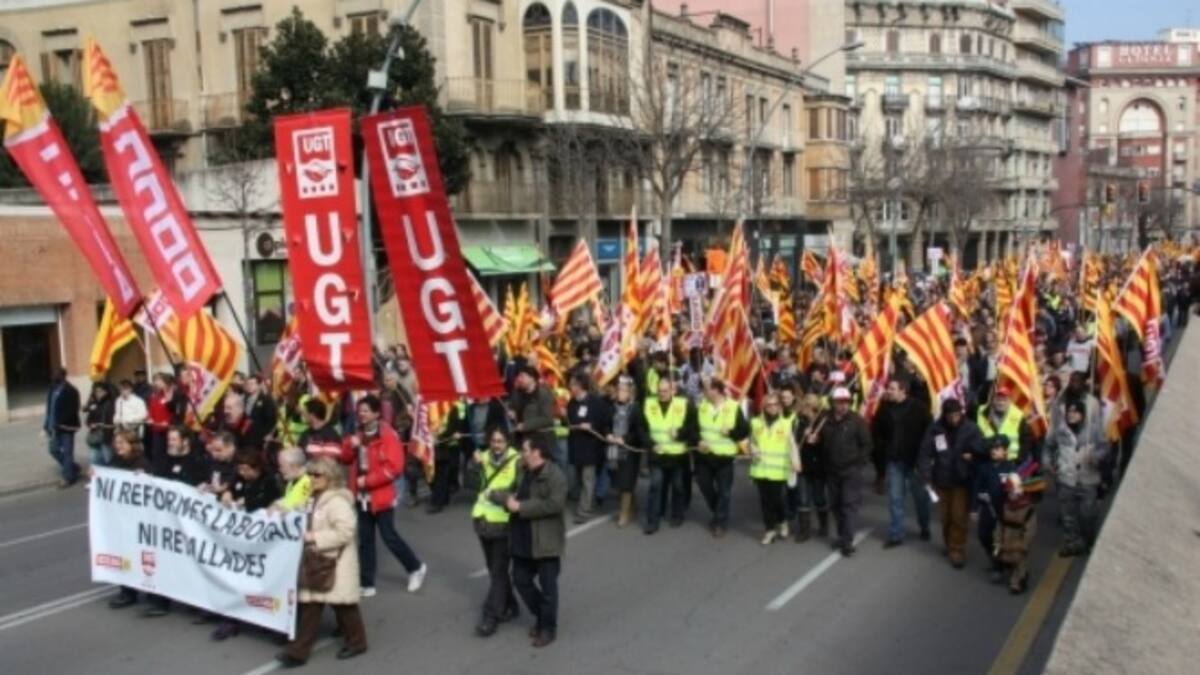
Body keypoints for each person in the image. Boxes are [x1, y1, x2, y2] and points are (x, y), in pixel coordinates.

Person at [277, 457, 368, 668]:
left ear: (330, 477)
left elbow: (346, 531)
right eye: (309, 474)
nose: (312, 478)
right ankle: (298, 652)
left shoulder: (336, 502)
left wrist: (314, 538)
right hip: (317, 560)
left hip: (335, 561)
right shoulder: (311, 496)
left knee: (343, 606)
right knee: (312, 605)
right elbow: (291, 505)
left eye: (317, 475)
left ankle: (357, 642)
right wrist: (276, 509)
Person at [343, 395, 427, 597]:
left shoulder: (388, 435)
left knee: (389, 537)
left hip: (381, 497)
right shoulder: (357, 433)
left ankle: (415, 567)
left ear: (376, 413)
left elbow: (394, 468)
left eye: (366, 410)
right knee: (365, 540)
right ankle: (367, 583)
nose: (361, 414)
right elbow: (346, 459)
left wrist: (368, 481)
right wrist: (349, 445)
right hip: (361, 497)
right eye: (360, 410)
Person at [504, 436, 568, 649]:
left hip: (546, 542)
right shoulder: (523, 471)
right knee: (520, 580)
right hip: (523, 538)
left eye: (525, 450)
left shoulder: (555, 475)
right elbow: (512, 491)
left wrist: (522, 507)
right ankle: (542, 616)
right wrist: (506, 500)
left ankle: (548, 628)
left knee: (548, 588)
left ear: (536, 452)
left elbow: (555, 504)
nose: (522, 454)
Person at [105, 430, 169, 616]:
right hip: (123, 520)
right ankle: (128, 592)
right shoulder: (115, 462)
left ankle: (157, 598)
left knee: (147, 558)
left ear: (132, 445)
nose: (118, 446)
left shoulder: (142, 464)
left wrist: (144, 478)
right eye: (116, 443)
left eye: (122, 443)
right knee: (125, 555)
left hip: (143, 522)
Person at [917, 399, 983, 568]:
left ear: (961, 413)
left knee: (958, 517)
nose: (954, 419)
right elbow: (925, 453)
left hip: (962, 479)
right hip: (942, 479)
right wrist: (926, 477)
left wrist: (972, 454)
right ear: (944, 415)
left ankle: (957, 550)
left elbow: (981, 449)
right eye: (950, 416)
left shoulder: (971, 429)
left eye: (956, 415)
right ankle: (949, 545)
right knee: (946, 517)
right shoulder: (935, 429)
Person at [973, 434, 1040, 594]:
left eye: (997, 449)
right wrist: (975, 507)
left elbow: (1019, 488)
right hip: (988, 509)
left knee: (1010, 542)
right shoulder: (984, 468)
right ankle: (996, 560)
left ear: (1005, 451)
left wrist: (1017, 496)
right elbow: (976, 488)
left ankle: (1008, 570)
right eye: (992, 449)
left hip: (1007, 512)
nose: (994, 451)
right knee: (985, 536)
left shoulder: (1011, 468)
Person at [472, 428, 521, 637]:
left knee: (499, 571)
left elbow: (520, 491)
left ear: (508, 442)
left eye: (500, 441)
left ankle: (491, 615)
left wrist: (499, 496)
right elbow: (472, 485)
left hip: (503, 523)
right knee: (493, 569)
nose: (496, 445)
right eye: (493, 441)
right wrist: (475, 466)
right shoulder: (482, 457)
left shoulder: (517, 461)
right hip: (483, 521)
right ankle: (511, 605)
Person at [873, 377, 933, 547]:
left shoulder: (919, 408)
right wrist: (883, 448)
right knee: (895, 499)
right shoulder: (884, 408)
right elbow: (876, 431)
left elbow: (930, 433)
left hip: (915, 463)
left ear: (903, 391)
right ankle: (896, 534)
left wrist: (927, 457)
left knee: (921, 498)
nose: (888, 391)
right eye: (888, 388)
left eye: (892, 388)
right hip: (894, 461)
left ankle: (924, 526)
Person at [1044, 399, 1107, 557]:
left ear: (1082, 414)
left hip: (1087, 480)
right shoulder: (1059, 431)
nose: (1071, 415)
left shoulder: (1093, 431)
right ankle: (1072, 543)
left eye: (1075, 412)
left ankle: (1089, 542)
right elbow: (1048, 447)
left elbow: (1105, 448)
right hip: (1066, 480)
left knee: (1087, 515)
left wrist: (1096, 458)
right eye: (1069, 412)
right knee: (1068, 517)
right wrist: (1047, 463)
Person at [815, 387, 872, 557]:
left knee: (848, 505)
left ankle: (847, 541)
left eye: (846, 402)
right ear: (833, 403)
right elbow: (819, 441)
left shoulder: (857, 421)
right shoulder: (824, 420)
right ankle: (842, 536)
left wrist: (859, 464)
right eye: (839, 402)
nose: (843, 405)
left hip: (851, 471)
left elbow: (867, 445)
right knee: (835, 505)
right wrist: (814, 439)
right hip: (832, 470)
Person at [642, 378, 698, 534]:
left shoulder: (683, 404)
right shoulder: (648, 404)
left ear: (673, 390)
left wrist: (679, 433)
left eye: (665, 391)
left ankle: (677, 515)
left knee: (678, 487)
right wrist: (650, 444)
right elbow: (642, 429)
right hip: (657, 454)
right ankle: (652, 521)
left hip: (677, 455)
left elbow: (692, 427)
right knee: (655, 486)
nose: (662, 394)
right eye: (659, 391)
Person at [695, 379, 749, 538]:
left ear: (716, 390)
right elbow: (694, 428)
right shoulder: (702, 406)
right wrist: (698, 441)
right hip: (705, 456)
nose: (703, 393)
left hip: (724, 458)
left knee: (724, 492)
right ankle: (718, 511)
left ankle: (720, 522)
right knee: (705, 487)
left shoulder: (733, 407)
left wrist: (731, 433)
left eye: (706, 389)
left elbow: (744, 431)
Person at [749, 392, 800, 545]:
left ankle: (783, 521)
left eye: (775, 404)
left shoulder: (786, 423)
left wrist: (795, 461)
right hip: (760, 468)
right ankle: (769, 530)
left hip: (778, 469)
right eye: (769, 405)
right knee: (765, 501)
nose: (772, 407)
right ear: (764, 406)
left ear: (779, 406)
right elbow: (751, 441)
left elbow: (792, 445)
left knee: (776, 500)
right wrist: (753, 449)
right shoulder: (755, 422)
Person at [565, 373, 612, 523]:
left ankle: (584, 511)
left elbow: (605, 422)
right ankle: (588, 501)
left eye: (572, 384)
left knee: (588, 479)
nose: (570, 387)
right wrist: (563, 417)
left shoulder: (596, 403)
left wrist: (592, 425)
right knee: (579, 478)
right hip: (576, 447)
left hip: (591, 447)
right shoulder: (571, 403)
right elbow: (569, 423)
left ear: (580, 386)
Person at [605, 376, 649, 528]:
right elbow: (606, 424)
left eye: (623, 390)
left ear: (630, 393)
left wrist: (625, 439)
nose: (620, 393)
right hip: (613, 448)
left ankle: (624, 514)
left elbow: (639, 431)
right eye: (619, 390)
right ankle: (632, 506)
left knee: (627, 481)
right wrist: (608, 434)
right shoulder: (611, 407)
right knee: (617, 480)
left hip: (629, 450)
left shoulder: (636, 408)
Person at [791, 394, 829, 542]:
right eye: (806, 406)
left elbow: (828, 442)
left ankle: (823, 525)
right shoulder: (798, 421)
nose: (807, 409)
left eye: (811, 407)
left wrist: (818, 439)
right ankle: (804, 530)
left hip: (818, 466)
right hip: (803, 465)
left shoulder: (823, 421)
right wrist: (802, 434)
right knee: (803, 499)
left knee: (819, 498)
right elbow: (793, 440)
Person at [430, 398, 472, 514]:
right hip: (433, 445)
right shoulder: (431, 407)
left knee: (441, 474)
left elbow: (454, 427)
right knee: (438, 474)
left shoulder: (453, 408)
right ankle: (443, 497)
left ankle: (438, 501)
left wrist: (439, 438)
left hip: (447, 445)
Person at [44, 369, 82, 487]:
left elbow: (73, 410)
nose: (54, 377)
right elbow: (49, 409)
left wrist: (61, 422)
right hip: (54, 427)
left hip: (66, 427)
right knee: (53, 449)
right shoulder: (52, 389)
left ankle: (68, 478)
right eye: (53, 375)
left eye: (57, 375)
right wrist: (46, 425)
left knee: (67, 452)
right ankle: (72, 467)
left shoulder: (71, 391)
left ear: (63, 376)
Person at [509, 365, 558, 453]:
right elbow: (512, 406)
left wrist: (525, 426)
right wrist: (512, 412)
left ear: (532, 378)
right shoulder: (517, 393)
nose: (519, 379)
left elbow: (547, 418)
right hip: (521, 440)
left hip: (541, 441)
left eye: (522, 376)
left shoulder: (543, 394)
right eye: (519, 376)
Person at [83, 382, 115, 468]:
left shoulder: (111, 404)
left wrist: (102, 425)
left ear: (106, 392)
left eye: (100, 391)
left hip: (107, 436)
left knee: (108, 459)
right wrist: (91, 424)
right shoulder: (94, 404)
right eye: (96, 391)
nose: (98, 394)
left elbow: (113, 421)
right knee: (94, 459)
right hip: (95, 435)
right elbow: (88, 419)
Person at [243, 374, 278, 450]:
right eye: (248, 384)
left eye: (252, 384)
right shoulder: (245, 399)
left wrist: (266, 434)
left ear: (258, 385)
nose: (250, 386)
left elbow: (271, 419)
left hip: (259, 437)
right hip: (245, 435)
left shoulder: (266, 400)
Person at [273, 446, 314, 512]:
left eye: (282, 466)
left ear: (294, 466)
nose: (280, 470)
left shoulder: (310, 482)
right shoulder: (291, 481)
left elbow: (306, 509)